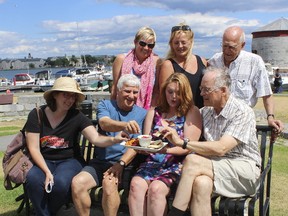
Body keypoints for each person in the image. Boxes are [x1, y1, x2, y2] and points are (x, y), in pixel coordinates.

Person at [164, 67, 261, 216]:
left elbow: (221, 148)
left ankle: (175, 213)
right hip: (214, 169)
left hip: (244, 171)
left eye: (206, 90)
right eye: (201, 88)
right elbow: (182, 120)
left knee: (192, 160)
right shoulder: (206, 112)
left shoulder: (241, 111)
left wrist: (182, 142)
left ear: (223, 90)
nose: (201, 93)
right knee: (201, 184)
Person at [24, 77, 127, 216]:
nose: (70, 99)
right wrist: (47, 171)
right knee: (33, 180)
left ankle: (47, 212)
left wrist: (115, 139)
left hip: (69, 161)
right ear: (55, 95)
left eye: (73, 96)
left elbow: (95, 138)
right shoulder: (37, 115)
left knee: (61, 183)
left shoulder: (77, 116)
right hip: (44, 160)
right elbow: (34, 148)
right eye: (65, 94)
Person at [71, 74, 147, 216]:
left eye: (135, 92)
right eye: (127, 91)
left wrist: (120, 164)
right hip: (100, 163)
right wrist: (125, 125)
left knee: (109, 183)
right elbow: (104, 123)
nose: (131, 96)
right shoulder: (105, 105)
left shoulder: (142, 114)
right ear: (118, 91)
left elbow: (136, 146)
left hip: (125, 164)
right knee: (77, 183)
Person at [128, 73, 202, 216]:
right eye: (170, 92)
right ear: (164, 92)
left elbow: (188, 147)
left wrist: (165, 150)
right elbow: (147, 140)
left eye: (178, 93)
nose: (174, 96)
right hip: (152, 162)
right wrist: (143, 148)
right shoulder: (154, 112)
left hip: (176, 165)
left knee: (156, 189)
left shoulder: (191, 112)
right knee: (135, 185)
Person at [208, 25, 284, 133]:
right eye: (224, 46)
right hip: (216, 123)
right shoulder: (214, 61)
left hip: (243, 123)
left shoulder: (254, 62)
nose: (227, 51)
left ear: (242, 45)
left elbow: (266, 93)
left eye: (232, 47)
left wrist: (270, 117)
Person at [110, 26, 162, 109]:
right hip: (122, 110)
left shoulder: (157, 62)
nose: (146, 48)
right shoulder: (121, 59)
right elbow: (115, 88)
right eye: (142, 44)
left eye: (150, 45)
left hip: (146, 111)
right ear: (135, 42)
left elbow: (156, 92)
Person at [159, 23, 207, 108]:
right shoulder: (168, 65)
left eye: (183, 42)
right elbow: (164, 97)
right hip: (181, 117)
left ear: (190, 42)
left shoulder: (202, 61)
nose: (180, 46)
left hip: (203, 115)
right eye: (176, 43)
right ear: (171, 45)